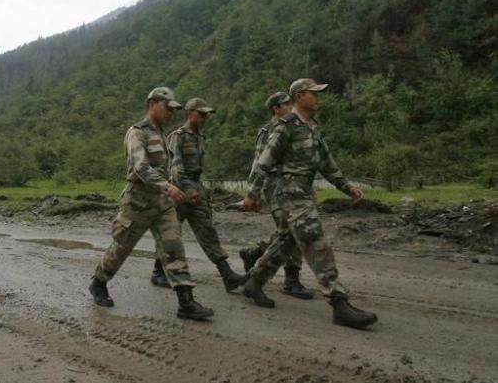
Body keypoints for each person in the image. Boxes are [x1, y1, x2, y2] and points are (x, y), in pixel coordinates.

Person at [241, 79, 378, 329]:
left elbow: (327, 163)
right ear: (300, 96)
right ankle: (339, 303)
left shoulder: (313, 127)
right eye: (314, 94)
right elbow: (264, 163)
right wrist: (252, 194)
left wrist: (346, 187)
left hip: (304, 192)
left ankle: (254, 282)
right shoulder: (285, 127)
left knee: (286, 241)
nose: (318, 98)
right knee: (316, 242)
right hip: (288, 193)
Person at [90, 87, 214, 320]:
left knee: (173, 246)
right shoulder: (137, 133)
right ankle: (98, 282)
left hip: (162, 203)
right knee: (122, 247)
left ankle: (185, 301)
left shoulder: (162, 133)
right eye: (167, 108)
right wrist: (168, 186)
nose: (170, 113)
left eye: (173, 109)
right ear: (153, 103)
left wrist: (175, 188)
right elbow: (141, 167)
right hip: (138, 202)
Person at [149, 97, 246, 292]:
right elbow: (176, 166)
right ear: (190, 113)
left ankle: (227, 275)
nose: (204, 118)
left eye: (206, 115)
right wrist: (187, 188)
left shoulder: (200, 137)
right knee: (170, 234)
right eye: (201, 114)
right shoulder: (178, 136)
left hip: (196, 188)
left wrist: (197, 189)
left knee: (207, 230)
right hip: (178, 190)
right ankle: (158, 273)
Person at [239, 92, 313, 300]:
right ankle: (291, 281)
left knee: (287, 231)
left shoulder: (296, 126)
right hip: (274, 186)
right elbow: (259, 162)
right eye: (286, 104)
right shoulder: (269, 131)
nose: (291, 106)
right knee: (293, 230)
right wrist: (253, 192)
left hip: (294, 186)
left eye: (291, 103)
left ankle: (254, 253)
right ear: (275, 109)